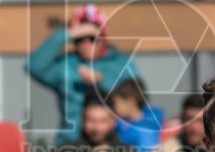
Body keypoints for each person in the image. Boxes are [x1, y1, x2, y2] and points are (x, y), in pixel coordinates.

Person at [27, 3, 139, 144]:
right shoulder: (67, 65)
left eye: (92, 38)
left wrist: (101, 81)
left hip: (110, 145)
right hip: (70, 143)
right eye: (80, 39)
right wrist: (67, 34)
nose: (85, 43)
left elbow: (136, 99)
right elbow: (34, 66)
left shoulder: (120, 64)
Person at [110, 79, 166, 152]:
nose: (114, 108)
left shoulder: (149, 127)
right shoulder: (118, 125)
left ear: (131, 101)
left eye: (116, 103)